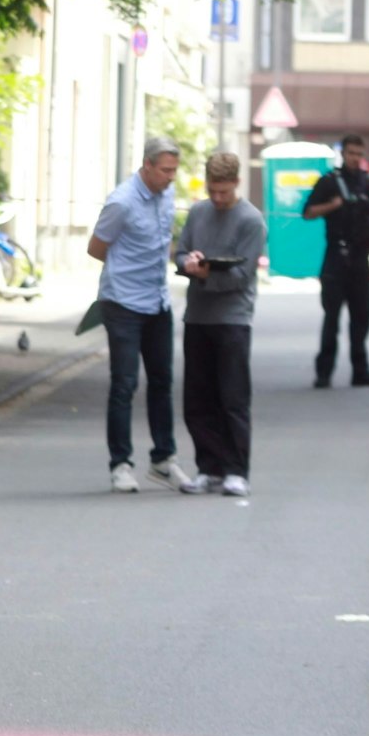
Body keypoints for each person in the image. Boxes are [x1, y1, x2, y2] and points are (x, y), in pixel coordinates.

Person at [88, 137, 192, 494]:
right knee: (125, 383)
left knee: (162, 381)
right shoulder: (122, 202)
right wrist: (124, 272)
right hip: (123, 303)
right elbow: (96, 247)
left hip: (157, 302)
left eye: (174, 171)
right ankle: (120, 464)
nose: (170, 178)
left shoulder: (166, 197)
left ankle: (163, 459)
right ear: (146, 166)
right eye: (165, 170)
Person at [173, 152, 266, 498]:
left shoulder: (251, 221)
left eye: (223, 192)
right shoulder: (198, 212)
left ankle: (236, 469)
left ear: (236, 185)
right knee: (197, 398)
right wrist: (189, 263)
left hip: (233, 318)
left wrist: (208, 274)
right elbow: (180, 252)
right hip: (197, 315)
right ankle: (208, 467)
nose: (217, 198)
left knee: (232, 397)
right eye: (213, 191)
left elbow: (243, 276)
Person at [302, 134, 369, 388]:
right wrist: (333, 205)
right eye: (351, 153)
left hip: (360, 258)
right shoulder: (329, 182)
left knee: (362, 317)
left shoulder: (364, 181)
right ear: (343, 153)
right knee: (332, 318)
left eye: (359, 154)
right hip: (336, 258)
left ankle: (361, 371)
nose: (355, 159)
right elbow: (307, 212)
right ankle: (324, 372)